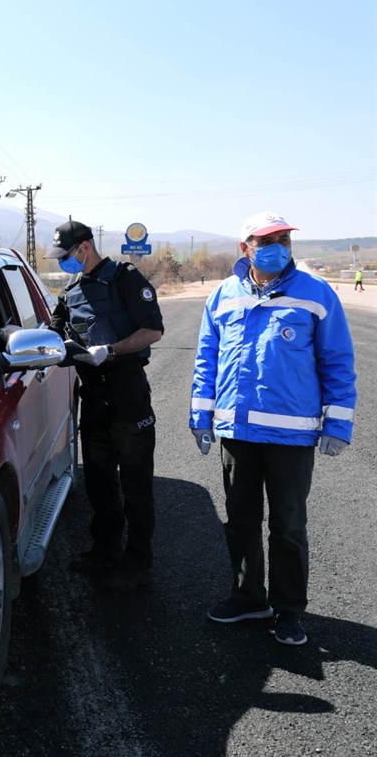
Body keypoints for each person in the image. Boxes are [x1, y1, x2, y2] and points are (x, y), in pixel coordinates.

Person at [191, 211, 356, 646]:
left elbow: (338, 361)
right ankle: (248, 598)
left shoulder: (316, 294)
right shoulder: (223, 296)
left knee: (287, 525)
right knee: (240, 520)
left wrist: (337, 423)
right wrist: (201, 416)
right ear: (244, 248)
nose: (277, 246)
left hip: (291, 435)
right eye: (266, 240)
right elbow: (207, 358)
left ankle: (288, 610)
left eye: (283, 238)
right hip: (237, 431)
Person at [47, 220, 165, 592]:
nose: (64, 262)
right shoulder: (71, 291)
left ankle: (138, 563)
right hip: (93, 395)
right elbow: (52, 331)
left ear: (85, 247)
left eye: (66, 255)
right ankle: (105, 551)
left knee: (135, 485)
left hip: (127, 392)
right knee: (99, 482)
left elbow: (154, 330)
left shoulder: (125, 279)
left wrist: (110, 350)